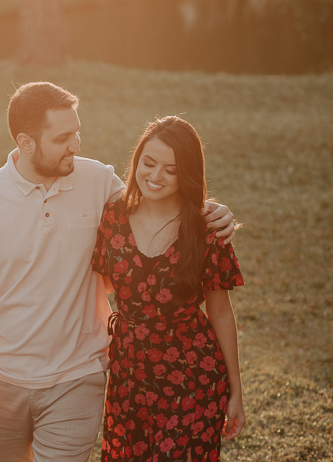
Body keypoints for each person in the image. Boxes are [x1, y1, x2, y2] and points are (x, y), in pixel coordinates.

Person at [0, 82, 237, 462]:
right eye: (63, 137)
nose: (76, 145)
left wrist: (213, 212)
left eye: (77, 132)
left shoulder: (98, 182)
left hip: (77, 375)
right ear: (26, 142)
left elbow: (157, 202)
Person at [91, 116, 245, 461]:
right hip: (129, 375)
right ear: (137, 161)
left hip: (194, 377)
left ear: (186, 175)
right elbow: (100, 282)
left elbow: (220, 311)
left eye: (171, 170)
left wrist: (236, 390)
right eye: (149, 163)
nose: (155, 177)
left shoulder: (206, 227)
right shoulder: (113, 216)